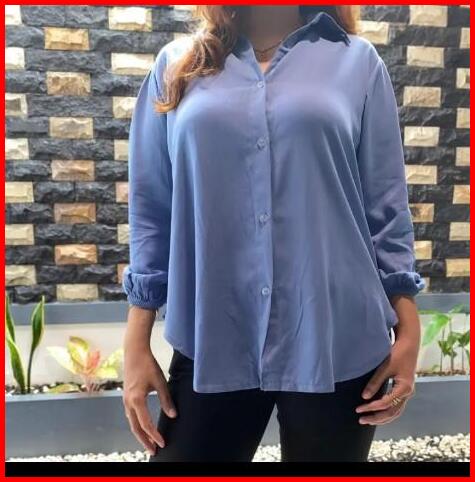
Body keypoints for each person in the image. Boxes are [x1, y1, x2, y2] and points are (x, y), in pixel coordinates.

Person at [121, 5, 425, 462]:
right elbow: (151, 208)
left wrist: (408, 326)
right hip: (215, 333)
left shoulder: (358, 62)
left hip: (335, 335)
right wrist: (136, 341)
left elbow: (385, 205)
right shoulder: (176, 65)